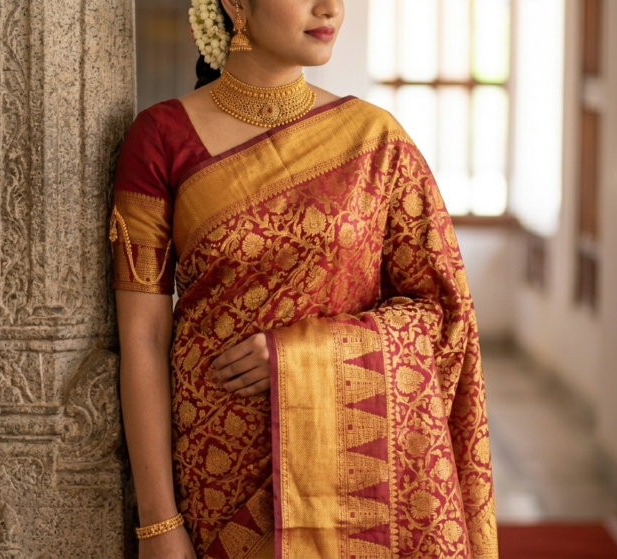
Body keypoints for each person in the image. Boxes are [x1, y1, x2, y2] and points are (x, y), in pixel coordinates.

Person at [111, 0, 499, 557]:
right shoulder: (161, 137)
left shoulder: (375, 141)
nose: (330, 8)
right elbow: (143, 340)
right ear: (234, 4)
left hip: (353, 467)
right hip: (219, 477)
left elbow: (442, 316)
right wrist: (158, 522)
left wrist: (303, 357)